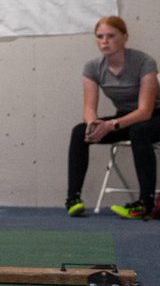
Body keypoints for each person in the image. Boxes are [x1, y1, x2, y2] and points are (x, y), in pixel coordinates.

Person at [65, 15, 160, 220]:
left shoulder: (144, 62)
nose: (104, 41)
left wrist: (111, 125)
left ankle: (146, 203)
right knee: (80, 131)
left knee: (139, 130)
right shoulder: (92, 67)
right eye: (100, 36)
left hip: (154, 117)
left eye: (111, 36)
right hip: (124, 118)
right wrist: (93, 124)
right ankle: (73, 199)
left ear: (124, 38)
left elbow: (145, 111)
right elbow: (89, 108)